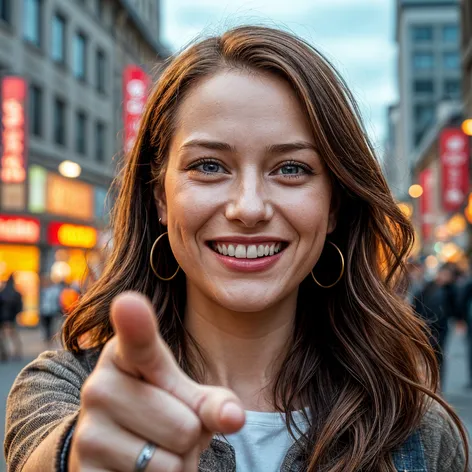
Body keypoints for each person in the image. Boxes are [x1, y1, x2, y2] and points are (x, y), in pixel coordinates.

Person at [4, 26, 470, 472]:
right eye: (209, 165)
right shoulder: (66, 390)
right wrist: (79, 454)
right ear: (160, 197)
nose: (249, 208)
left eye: (291, 169)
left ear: (334, 206)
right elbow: (48, 456)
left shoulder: (418, 428)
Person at [413, 263, 460, 388]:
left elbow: (455, 308)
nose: (443, 276)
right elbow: (418, 301)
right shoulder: (429, 286)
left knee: (438, 356)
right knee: (424, 356)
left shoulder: (450, 290)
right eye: (442, 273)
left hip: (440, 328)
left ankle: (437, 385)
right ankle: (428, 384)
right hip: (425, 325)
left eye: (447, 275)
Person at [0, 273, 23, 361]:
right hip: (11, 317)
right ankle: (17, 353)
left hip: (2, 317)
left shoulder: (2, 292)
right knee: (13, 335)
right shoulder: (16, 293)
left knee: (3, 336)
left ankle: (4, 353)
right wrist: (16, 314)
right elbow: (19, 306)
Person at [39, 277, 66, 348]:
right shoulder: (47, 290)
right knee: (47, 327)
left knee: (49, 327)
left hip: (50, 311)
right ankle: (48, 340)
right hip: (47, 311)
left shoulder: (52, 290)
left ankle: (49, 341)